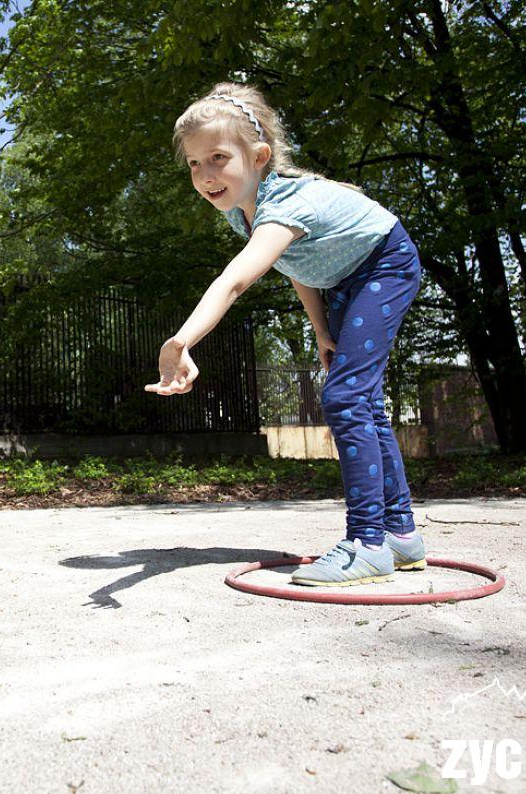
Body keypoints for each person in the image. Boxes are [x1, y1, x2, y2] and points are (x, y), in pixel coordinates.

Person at [146, 82, 424, 587]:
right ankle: (400, 535)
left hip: (385, 263)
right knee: (362, 400)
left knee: (344, 397)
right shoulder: (244, 211)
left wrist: (181, 340)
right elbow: (296, 263)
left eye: (217, 158)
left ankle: (368, 541)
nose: (205, 175)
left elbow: (234, 281)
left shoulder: (286, 199)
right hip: (341, 279)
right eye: (193, 164)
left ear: (259, 156)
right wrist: (321, 330)